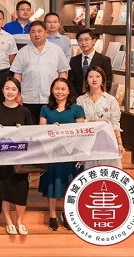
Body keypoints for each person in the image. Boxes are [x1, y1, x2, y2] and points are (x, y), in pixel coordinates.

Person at [38, 78, 85, 231]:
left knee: (69, 184)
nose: (60, 92)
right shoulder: (45, 109)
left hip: (71, 155)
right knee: (52, 184)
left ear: (69, 91)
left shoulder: (77, 109)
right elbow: (41, 131)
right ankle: (52, 215)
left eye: (63, 89)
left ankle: (67, 213)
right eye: (57, 88)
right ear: (52, 90)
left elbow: (82, 133)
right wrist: (52, 129)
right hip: (52, 154)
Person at [0, 77, 34, 236]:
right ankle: (8, 221)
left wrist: (22, 132)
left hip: (20, 159)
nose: (10, 92)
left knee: (21, 189)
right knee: (4, 189)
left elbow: (32, 135)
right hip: (2, 158)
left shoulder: (25, 111)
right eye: (7, 88)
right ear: (2, 90)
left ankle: (19, 221)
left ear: (18, 92)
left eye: (14, 89)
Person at [10, 20, 70, 125]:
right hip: (28, 98)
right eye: (33, 31)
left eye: (39, 31)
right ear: (29, 34)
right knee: (30, 128)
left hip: (51, 98)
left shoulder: (56, 50)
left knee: (51, 128)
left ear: (45, 32)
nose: (36, 34)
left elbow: (63, 72)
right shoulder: (23, 52)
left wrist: (62, 92)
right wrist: (18, 94)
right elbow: (17, 75)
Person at [76, 66, 124, 168]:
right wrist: (91, 121)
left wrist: (119, 143)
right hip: (88, 144)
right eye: (91, 77)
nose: (94, 79)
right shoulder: (80, 100)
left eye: (97, 76)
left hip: (107, 142)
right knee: (91, 173)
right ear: (86, 80)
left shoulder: (110, 100)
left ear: (102, 80)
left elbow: (115, 124)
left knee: (108, 172)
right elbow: (79, 123)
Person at [69, 29, 113, 96]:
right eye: (80, 40)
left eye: (86, 39)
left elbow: (108, 81)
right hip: (77, 97)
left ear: (94, 41)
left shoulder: (104, 60)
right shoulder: (74, 60)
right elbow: (71, 82)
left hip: (97, 97)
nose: (83, 43)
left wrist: (97, 96)